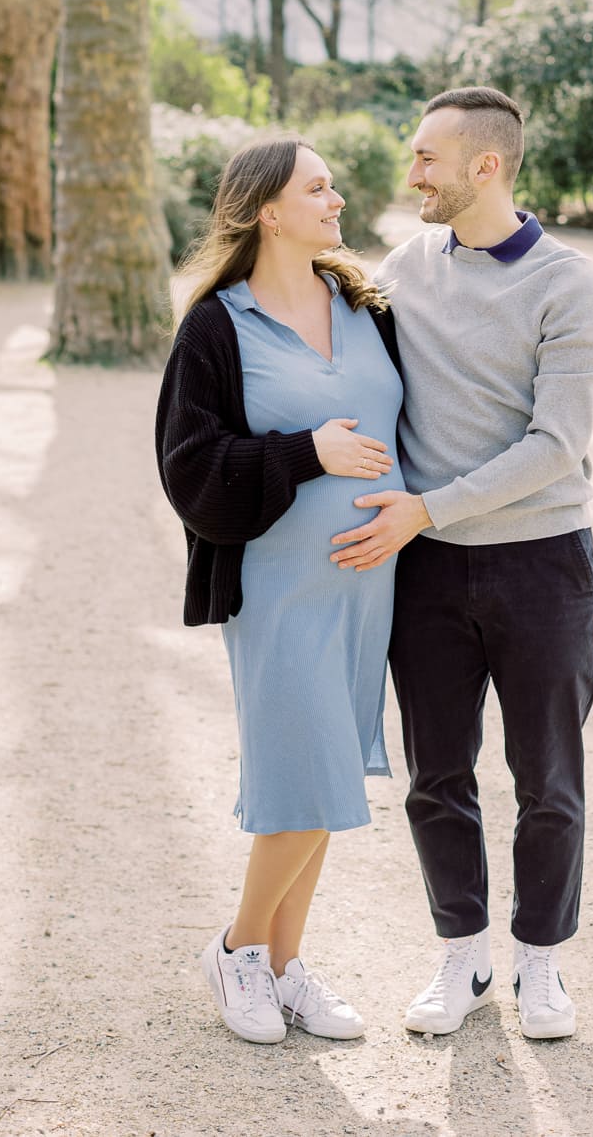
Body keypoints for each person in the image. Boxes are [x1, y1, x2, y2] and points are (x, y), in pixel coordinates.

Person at [329, 86, 593, 1042]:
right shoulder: (406, 265)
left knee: (549, 778)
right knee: (435, 774)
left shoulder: (568, 284)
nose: (411, 172)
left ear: (484, 166)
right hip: (429, 571)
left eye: (426, 158)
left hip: (542, 565)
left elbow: (556, 447)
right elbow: (321, 341)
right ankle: (465, 955)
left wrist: (429, 507)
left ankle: (542, 963)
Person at [155, 134, 403, 1046]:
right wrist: (308, 453)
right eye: (319, 187)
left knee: (328, 772)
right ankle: (237, 947)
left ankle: (288, 967)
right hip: (276, 589)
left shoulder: (365, 303)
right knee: (306, 774)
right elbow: (187, 469)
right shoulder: (217, 327)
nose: (337, 199)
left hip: (367, 587)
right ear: (268, 210)